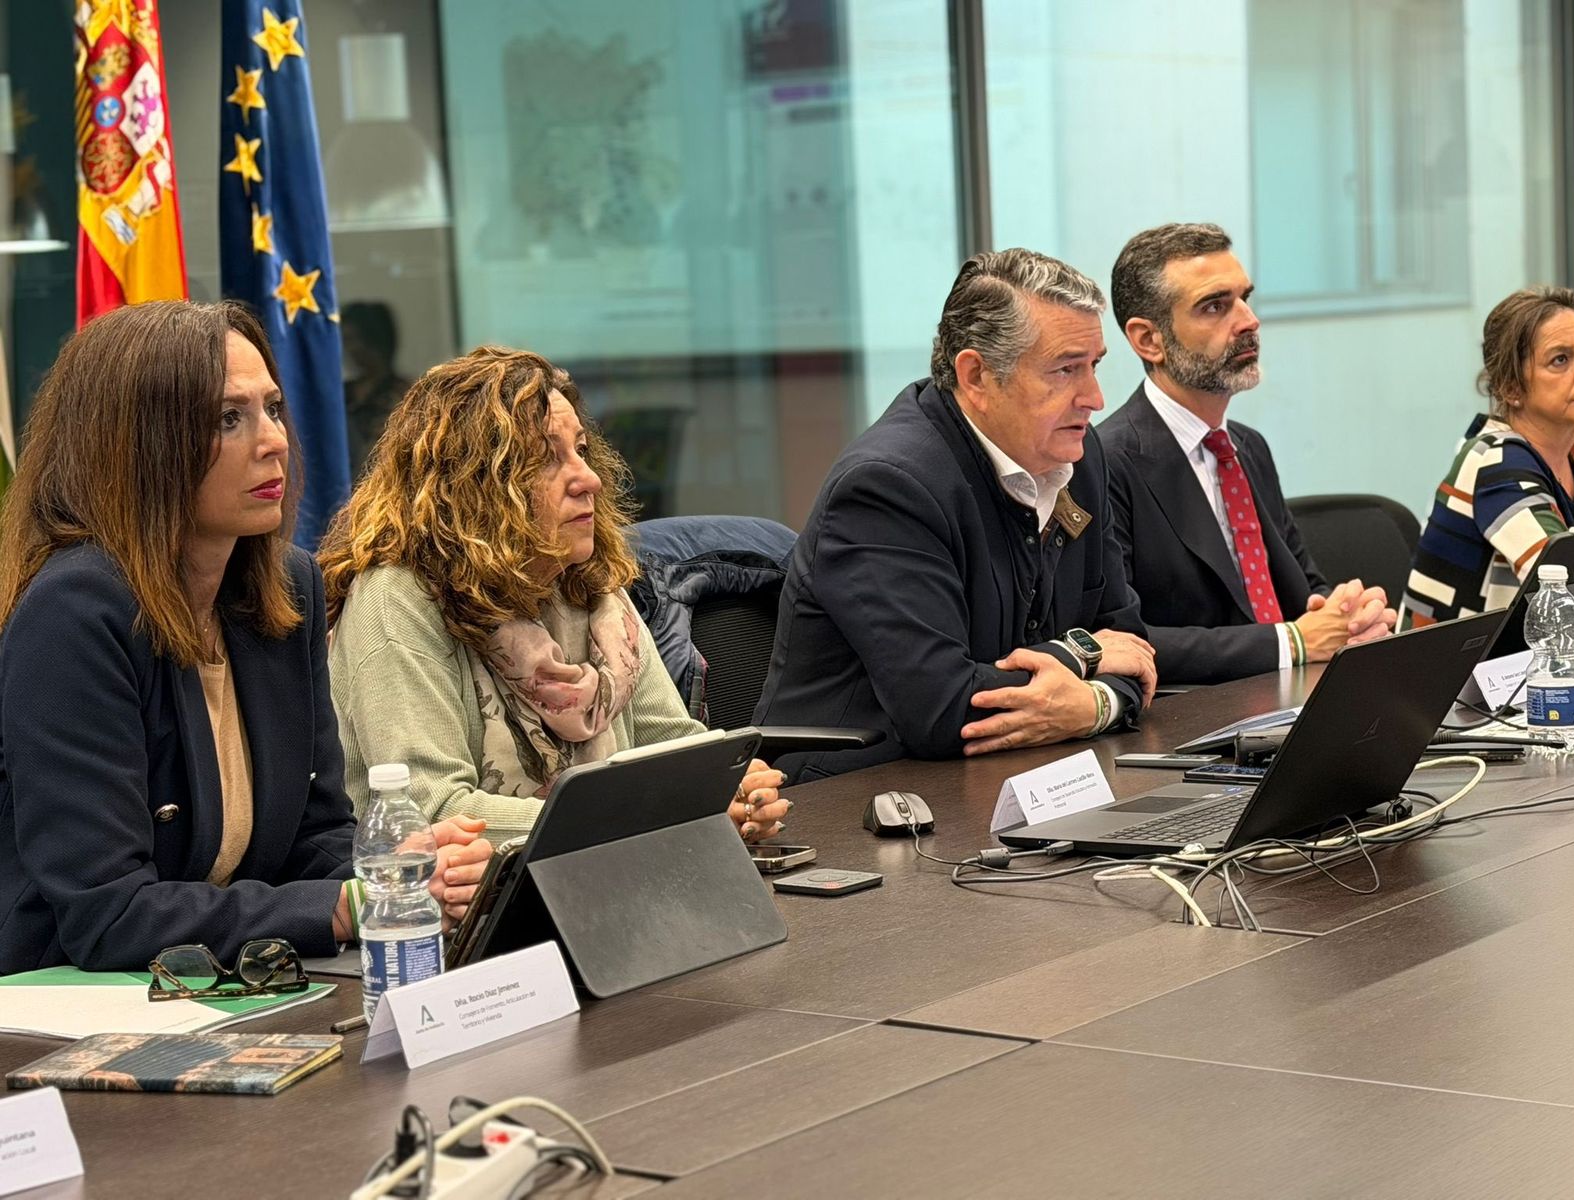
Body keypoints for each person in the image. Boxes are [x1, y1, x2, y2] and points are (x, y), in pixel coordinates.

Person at [0, 301, 492, 975]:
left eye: (274, 408)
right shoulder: (75, 611)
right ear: (140, 444)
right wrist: (345, 906)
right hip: (66, 1010)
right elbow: (109, 916)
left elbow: (314, 839)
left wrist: (401, 866)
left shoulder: (287, 586)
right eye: (228, 418)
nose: (274, 441)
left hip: (237, 984)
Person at [320, 346, 790, 849]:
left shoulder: (585, 582)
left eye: (581, 451)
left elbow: (673, 747)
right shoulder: (397, 598)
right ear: (474, 484)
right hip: (465, 910)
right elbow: (430, 811)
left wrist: (729, 792)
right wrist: (641, 814)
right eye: (546, 458)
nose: (587, 479)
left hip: (611, 876)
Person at [754, 248, 1157, 780]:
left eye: (1094, 365)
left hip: (1024, 775)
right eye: (1065, 369)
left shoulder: (1075, 455)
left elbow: (1132, 651)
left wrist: (1095, 705)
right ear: (975, 376)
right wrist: (1083, 658)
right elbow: (944, 709)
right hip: (859, 801)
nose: (1095, 398)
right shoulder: (888, 486)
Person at [1099, 222, 1394, 686]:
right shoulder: (1103, 462)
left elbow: (1302, 588)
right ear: (1148, 340)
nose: (1248, 321)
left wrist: (1349, 617)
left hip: (1292, 696)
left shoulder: (1246, 446)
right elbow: (1121, 637)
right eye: (1215, 307)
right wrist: (1293, 642)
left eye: (1244, 298)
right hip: (1194, 723)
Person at [1403, 288, 1574, 624]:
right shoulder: (1495, 464)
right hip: (1457, 672)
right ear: (1511, 388)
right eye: (1561, 359)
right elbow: (1569, 591)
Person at [342, 301, 411, 481]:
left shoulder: (407, 395)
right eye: (345, 340)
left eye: (354, 339)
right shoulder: (340, 395)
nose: (350, 349)